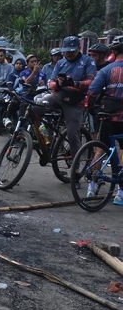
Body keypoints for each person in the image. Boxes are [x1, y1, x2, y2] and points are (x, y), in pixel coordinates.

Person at [41, 36, 97, 157]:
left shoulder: (88, 61)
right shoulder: (60, 62)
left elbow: (92, 82)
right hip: (58, 95)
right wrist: (58, 84)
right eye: (66, 51)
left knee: (72, 135)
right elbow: (50, 82)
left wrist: (76, 83)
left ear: (79, 48)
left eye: (72, 51)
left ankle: (75, 166)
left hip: (75, 101)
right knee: (37, 105)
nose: (69, 54)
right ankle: (40, 138)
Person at [85, 36, 123, 204]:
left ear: (113, 52)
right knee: (122, 150)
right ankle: (120, 193)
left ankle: (91, 187)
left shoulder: (107, 70)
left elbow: (92, 92)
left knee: (100, 149)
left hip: (106, 116)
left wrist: (93, 109)